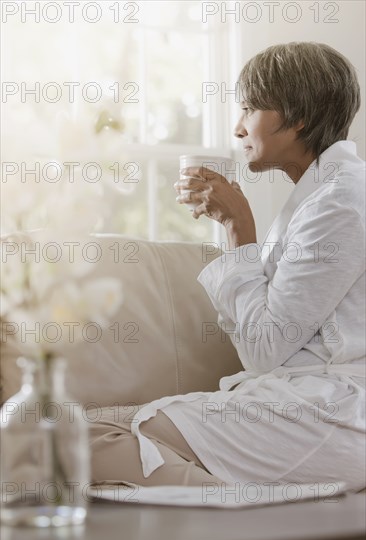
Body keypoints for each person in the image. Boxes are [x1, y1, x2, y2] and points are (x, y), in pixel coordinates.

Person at [90, 42, 366, 492]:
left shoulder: (340, 203)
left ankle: (243, 509)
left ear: (297, 117)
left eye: (250, 108)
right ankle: (254, 501)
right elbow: (265, 339)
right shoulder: (323, 196)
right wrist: (229, 223)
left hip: (331, 418)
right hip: (304, 407)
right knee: (91, 426)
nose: (238, 128)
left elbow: (264, 350)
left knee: (87, 438)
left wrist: (239, 226)